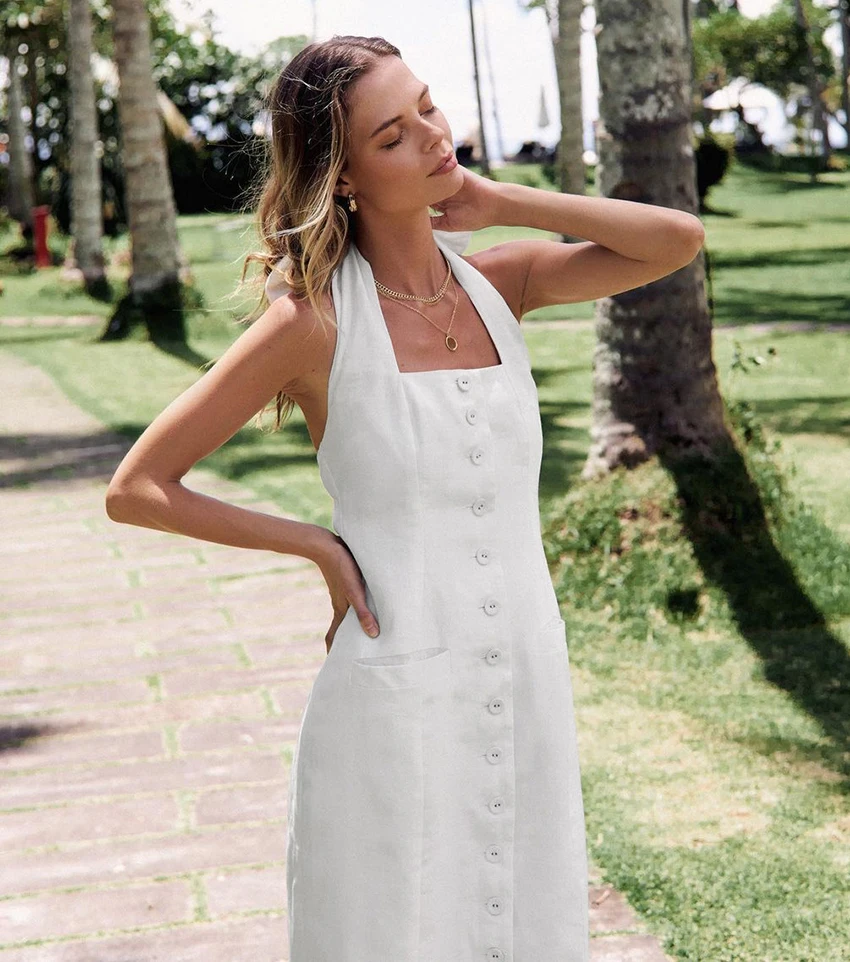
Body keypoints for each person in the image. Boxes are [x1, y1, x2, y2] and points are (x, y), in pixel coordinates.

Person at [105, 34, 704, 962]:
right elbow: (139, 487)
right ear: (342, 177)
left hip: (523, 671)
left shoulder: (502, 282)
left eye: (427, 106)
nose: (430, 136)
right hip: (393, 692)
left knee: (525, 916)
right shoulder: (312, 322)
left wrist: (499, 199)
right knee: (397, 927)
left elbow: (676, 241)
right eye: (392, 135)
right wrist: (317, 546)